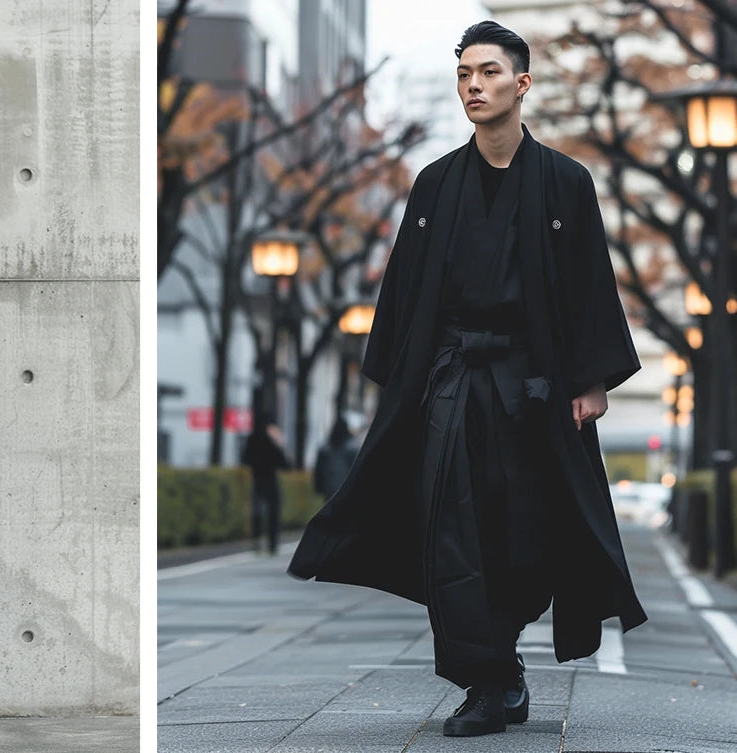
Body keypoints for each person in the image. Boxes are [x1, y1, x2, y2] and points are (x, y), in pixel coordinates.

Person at [287, 21, 647, 738]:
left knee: (526, 532)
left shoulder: (566, 184)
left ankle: (502, 658)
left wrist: (594, 378)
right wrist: (397, 388)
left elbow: (587, 284)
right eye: (464, 75)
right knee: (451, 530)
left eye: (488, 72)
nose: (473, 86)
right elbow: (404, 291)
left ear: (522, 83)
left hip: (533, 386)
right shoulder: (435, 184)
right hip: (451, 380)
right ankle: (489, 679)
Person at [242, 416, 290, 555]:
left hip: (257, 479)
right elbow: (284, 463)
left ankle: (257, 540)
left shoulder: (252, 440)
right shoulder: (271, 441)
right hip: (270, 479)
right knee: (273, 512)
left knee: (257, 512)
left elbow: (245, 458)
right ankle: (272, 544)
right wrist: (278, 443)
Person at [312, 418, 358, 500]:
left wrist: (318, 487)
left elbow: (319, 471)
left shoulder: (325, 449)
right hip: (346, 488)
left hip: (330, 488)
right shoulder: (352, 448)